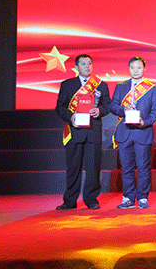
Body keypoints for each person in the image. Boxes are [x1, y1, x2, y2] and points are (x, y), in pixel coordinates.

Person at [55, 54, 111, 210]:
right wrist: (70, 116)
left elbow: (108, 105)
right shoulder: (67, 85)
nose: (87, 66)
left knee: (93, 168)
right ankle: (69, 201)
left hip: (93, 131)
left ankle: (91, 200)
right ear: (76, 67)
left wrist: (100, 111)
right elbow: (60, 107)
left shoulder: (101, 85)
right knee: (73, 168)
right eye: (83, 64)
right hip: (74, 131)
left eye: (89, 63)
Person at [110, 57, 156, 209]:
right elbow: (113, 106)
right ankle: (128, 198)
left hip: (142, 132)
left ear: (144, 69)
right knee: (126, 167)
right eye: (132, 67)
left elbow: (155, 112)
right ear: (129, 68)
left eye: (139, 67)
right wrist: (123, 109)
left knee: (143, 167)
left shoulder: (152, 88)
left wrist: (145, 122)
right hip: (124, 132)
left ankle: (143, 197)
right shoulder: (121, 86)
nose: (136, 70)